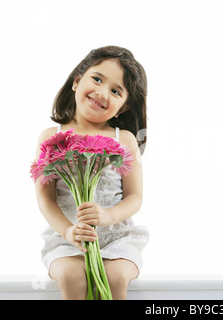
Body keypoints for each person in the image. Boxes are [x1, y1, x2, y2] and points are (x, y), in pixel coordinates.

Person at [34, 46, 149, 300]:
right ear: (77, 81)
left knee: (115, 277)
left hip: (118, 239)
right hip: (67, 239)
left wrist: (107, 216)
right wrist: (67, 231)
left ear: (122, 108)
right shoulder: (51, 137)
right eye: (97, 79)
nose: (102, 93)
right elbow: (46, 198)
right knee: (71, 276)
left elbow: (135, 197)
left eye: (116, 91)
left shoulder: (125, 139)